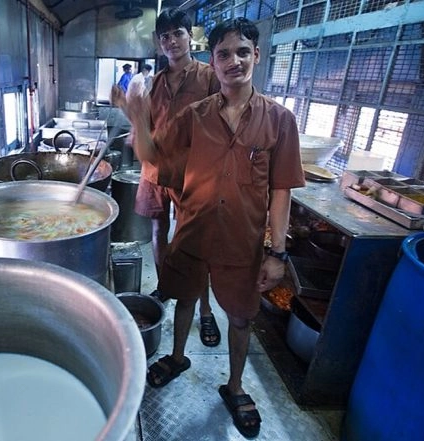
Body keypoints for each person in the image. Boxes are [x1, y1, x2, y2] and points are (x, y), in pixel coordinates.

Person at [118, 18, 305, 439]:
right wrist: (137, 118)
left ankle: (235, 386)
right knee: (184, 298)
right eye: (223, 54)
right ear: (213, 61)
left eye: (242, 52)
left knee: (240, 317)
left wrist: (277, 254)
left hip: (243, 237)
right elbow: (152, 155)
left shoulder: (279, 120)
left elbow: (281, 192)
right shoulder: (194, 116)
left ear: (257, 55)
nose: (233, 61)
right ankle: (179, 357)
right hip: (193, 228)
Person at [113, 9, 222, 349]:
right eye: (165, 37)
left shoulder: (209, 77)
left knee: (195, 244)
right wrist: (129, 110)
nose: (171, 41)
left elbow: (225, 121)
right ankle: (166, 285)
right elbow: (142, 128)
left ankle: (205, 310)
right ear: (158, 44)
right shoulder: (153, 84)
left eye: (178, 34)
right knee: (159, 231)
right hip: (156, 170)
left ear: (191, 37)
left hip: (195, 172)